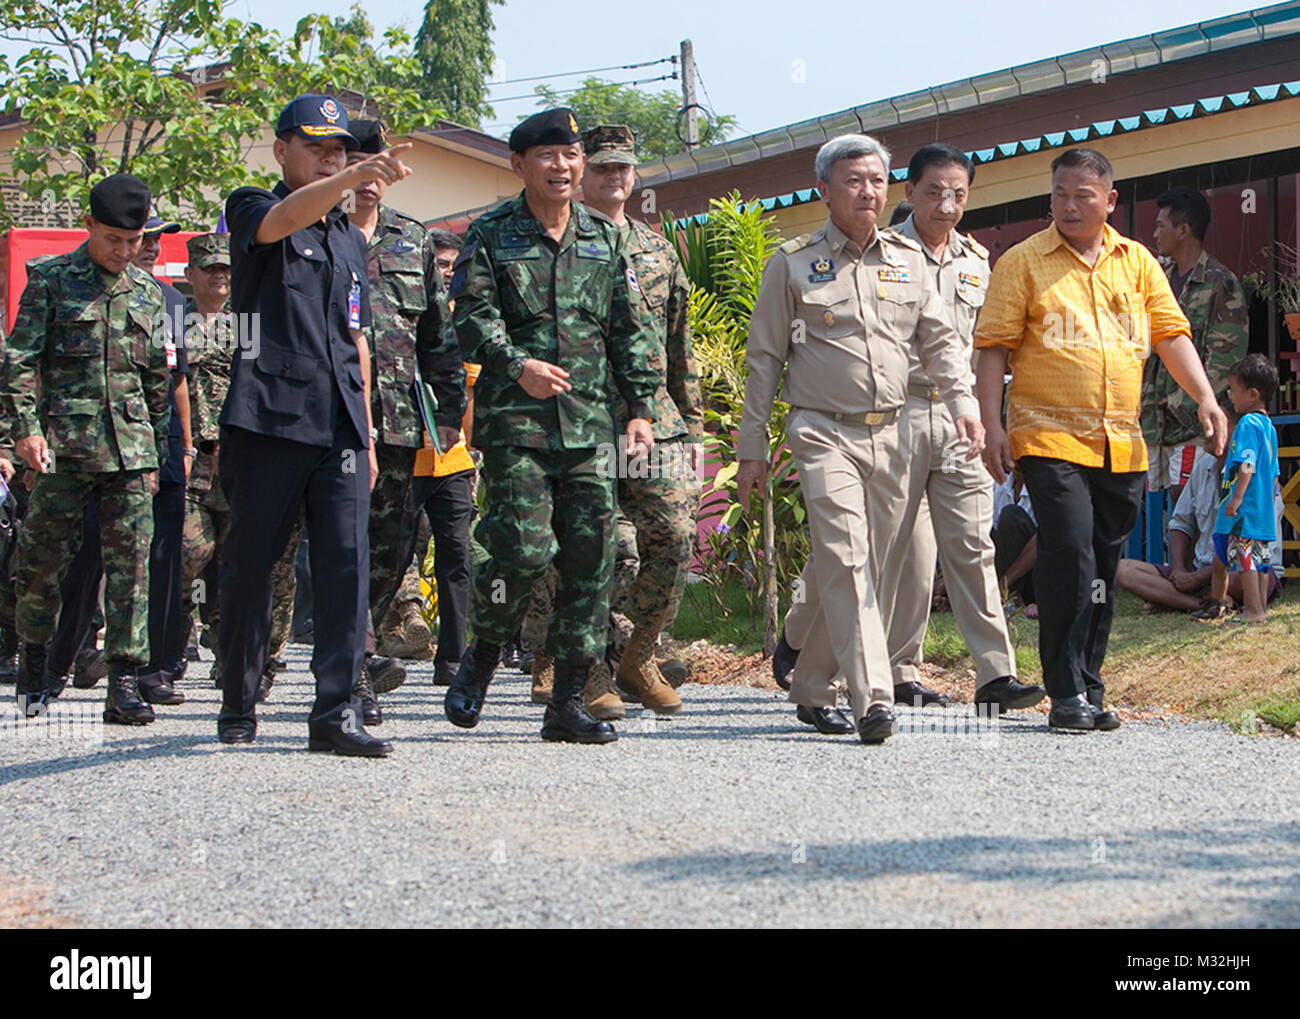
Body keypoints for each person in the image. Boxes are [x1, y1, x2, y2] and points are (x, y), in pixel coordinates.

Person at [738, 133, 984, 745]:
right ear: (824, 190)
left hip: (894, 434)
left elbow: (939, 344)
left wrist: (965, 406)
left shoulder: (905, 260)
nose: (867, 190)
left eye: (876, 179)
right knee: (848, 558)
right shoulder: (792, 264)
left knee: (858, 571)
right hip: (822, 432)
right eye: (853, 180)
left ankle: (812, 686)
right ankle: (873, 696)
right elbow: (764, 358)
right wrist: (751, 447)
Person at [975, 147, 1228, 732]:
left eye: (1082, 196)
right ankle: (1065, 692)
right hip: (1047, 435)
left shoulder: (1138, 263)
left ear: (1110, 201)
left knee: (1103, 562)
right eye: (1059, 195)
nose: (1068, 205)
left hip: (1122, 440)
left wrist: (1207, 397)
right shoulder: (1024, 261)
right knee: (1068, 550)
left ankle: (1089, 681)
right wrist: (993, 425)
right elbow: (992, 348)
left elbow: (1171, 336)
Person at [444, 107, 658, 744]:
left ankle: (567, 703)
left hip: (592, 425)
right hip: (519, 427)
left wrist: (642, 407)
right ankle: (482, 654)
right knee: (523, 551)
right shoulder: (492, 233)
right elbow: (472, 318)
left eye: (570, 156)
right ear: (519, 165)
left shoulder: (604, 236)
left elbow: (628, 325)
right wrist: (517, 365)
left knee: (592, 562)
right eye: (547, 156)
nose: (561, 167)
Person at [218, 93, 413, 755]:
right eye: (317, 148)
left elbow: (352, 335)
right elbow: (277, 224)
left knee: (346, 565)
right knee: (252, 566)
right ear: (282, 150)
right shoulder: (253, 205)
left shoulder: (348, 242)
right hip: (270, 419)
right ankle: (238, 697)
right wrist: (352, 179)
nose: (331, 159)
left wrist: (365, 430)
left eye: (340, 150)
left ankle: (334, 710)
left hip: (338, 424)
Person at [878, 145, 1043, 714]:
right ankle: (823, 647)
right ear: (909, 191)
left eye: (958, 194)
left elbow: (989, 349)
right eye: (934, 192)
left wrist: (994, 421)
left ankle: (995, 676)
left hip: (962, 418)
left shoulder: (978, 261)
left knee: (974, 546)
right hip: (895, 415)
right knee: (900, 550)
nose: (947, 205)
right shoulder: (879, 253)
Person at [2, 174, 172, 721]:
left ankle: (122, 681)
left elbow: (156, 382)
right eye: (114, 240)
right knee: (42, 563)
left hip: (130, 453)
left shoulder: (148, 294)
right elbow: (19, 361)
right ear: (89, 226)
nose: (124, 252)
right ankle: (33, 659)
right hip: (60, 449)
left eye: (134, 242)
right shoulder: (51, 281)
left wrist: (158, 454)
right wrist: (25, 431)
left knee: (131, 569)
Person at [343, 119, 466, 723]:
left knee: (391, 548)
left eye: (377, 164)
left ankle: (356, 658)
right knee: (334, 541)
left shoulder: (411, 241)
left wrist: (447, 414)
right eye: (356, 162)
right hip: (329, 423)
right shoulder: (311, 232)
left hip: (394, 425)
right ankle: (275, 657)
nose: (369, 178)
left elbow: (438, 338)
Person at [1117, 399, 1284, 612]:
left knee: (1240, 575)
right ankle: (1201, 604)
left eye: (1218, 425)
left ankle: (1179, 600)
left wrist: (1197, 578)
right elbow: (1180, 523)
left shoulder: (1258, 480)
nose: (1208, 431)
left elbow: (1255, 549)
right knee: (1124, 570)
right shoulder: (1202, 467)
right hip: (1201, 571)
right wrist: (1179, 570)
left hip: (1244, 570)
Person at [1143, 187, 1248, 503]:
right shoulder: (1155, 281)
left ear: (1183, 230)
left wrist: (1181, 402)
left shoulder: (1220, 283)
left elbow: (1226, 360)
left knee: (1188, 514)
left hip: (1191, 430)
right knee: (1148, 520)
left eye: (1162, 225)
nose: (1155, 233)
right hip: (1150, 428)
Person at [134, 208, 194, 706]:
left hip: (164, 446)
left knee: (164, 560)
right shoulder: (75, 287)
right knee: (90, 556)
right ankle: (57, 655)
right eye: (146, 237)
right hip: (97, 450)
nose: (154, 246)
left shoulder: (173, 302)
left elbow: (179, 382)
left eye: (159, 239)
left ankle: (157, 665)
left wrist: (188, 446)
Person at [1192, 354, 1280, 623]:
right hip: (1259, 507)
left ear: (1252, 394)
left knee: (1247, 558)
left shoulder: (1247, 424)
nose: (1230, 396)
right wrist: (1268, 497)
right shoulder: (1268, 427)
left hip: (1242, 508)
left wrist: (1237, 498)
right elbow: (1274, 472)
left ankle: (1254, 609)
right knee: (1239, 558)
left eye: (1233, 390)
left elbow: (1247, 463)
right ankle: (1219, 603)